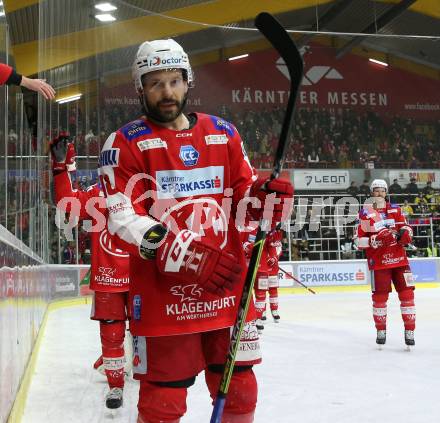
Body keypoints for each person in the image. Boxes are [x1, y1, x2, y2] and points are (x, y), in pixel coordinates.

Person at [99, 38, 294, 422]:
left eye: (174, 80)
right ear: (140, 88)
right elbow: (121, 217)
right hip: (164, 300)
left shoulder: (223, 132)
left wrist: (265, 196)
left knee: (241, 390)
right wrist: (185, 254)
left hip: (227, 292)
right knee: (162, 403)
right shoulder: (124, 143)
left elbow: (243, 202)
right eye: (155, 83)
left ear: (188, 81)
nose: (167, 92)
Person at [51, 134, 131, 409]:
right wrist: (62, 167)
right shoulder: (98, 193)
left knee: (147, 333)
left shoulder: (146, 190)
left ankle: (145, 373)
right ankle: (115, 386)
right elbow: (68, 205)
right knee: (111, 334)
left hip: (142, 277)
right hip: (109, 277)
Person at [356, 179, 416, 347]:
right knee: (380, 299)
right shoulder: (365, 213)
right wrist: (374, 239)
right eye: (376, 190)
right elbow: (359, 242)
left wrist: (406, 233)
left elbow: (406, 227)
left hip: (400, 260)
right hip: (379, 262)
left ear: (386, 192)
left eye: (382, 190)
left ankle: (410, 330)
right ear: (371, 193)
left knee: (407, 296)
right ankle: (380, 330)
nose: (380, 193)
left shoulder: (396, 210)